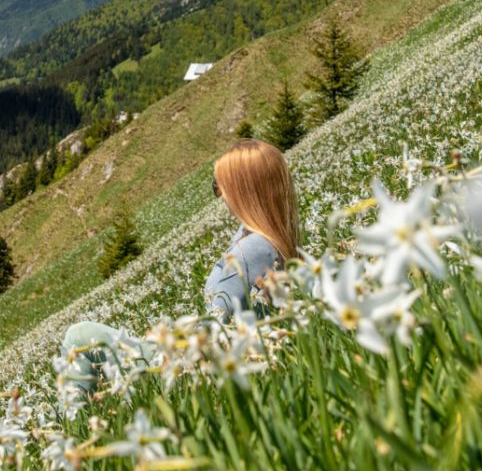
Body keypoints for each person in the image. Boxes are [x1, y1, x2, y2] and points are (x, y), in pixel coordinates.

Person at [59, 139, 301, 390]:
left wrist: (169, 342)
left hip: (181, 366)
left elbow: (214, 329)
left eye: (222, 186)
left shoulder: (251, 251)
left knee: (78, 335)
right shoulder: (272, 238)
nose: (220, 195)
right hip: (191, 354)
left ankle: (74, 419)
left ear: (244, 190)